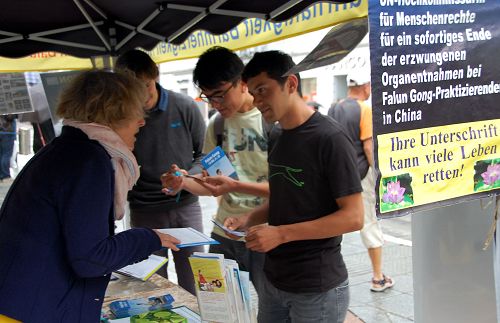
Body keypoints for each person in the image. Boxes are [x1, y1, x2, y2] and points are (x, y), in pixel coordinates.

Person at [0, 70, 181, 322]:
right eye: (135, 112)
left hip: (22, 299)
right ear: (113, 113)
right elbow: (90, 258)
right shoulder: (88, 160)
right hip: (32, 307)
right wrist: (148, 237)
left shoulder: (68, 148)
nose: (141, 122)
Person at [225, 50, 364, 323]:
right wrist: (249, 218)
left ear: (291, 84)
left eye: (263, 90)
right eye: (253, 93)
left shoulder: (330, 138)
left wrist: (280, 234)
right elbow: (286, 195)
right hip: (273, 279)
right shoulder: (276, 134)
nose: (257, 101)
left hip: (317, 287)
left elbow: (354, 217)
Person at [161, 46, 268, 295]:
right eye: (209, 97)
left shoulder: (268, 121)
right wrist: (183, 181)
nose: (216, 104)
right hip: (224, 234)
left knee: (273, 311)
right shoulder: (217, 125)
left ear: (242, 82)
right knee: (216, 305)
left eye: (220, 94)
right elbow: (214, 185)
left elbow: (288, 188)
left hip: (265, 232)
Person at [115, 50, 206, 295]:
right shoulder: (123, 116)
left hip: (186, 207)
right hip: (144, 212)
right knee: (152, 285)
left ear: (155, 75)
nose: (142, 95)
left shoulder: (184, 106)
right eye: (134, 89)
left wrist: (185, 177)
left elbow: (205, 155)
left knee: (197, 282)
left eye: (145, 85)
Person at [328, 70, 395, 292]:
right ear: (366, 86)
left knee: (333, 219)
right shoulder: (364, 109)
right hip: (361, 173)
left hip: (337, 174)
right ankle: (378, 277)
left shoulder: (334, 107)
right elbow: (367, 146)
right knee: (369, 221)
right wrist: (379, 174)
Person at [0, 113, 17, 183]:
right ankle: (5, 175)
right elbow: (10, 116)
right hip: (7, 131)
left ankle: (1, 175)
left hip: (2, 131)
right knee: (6, 155)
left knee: (1, 154)